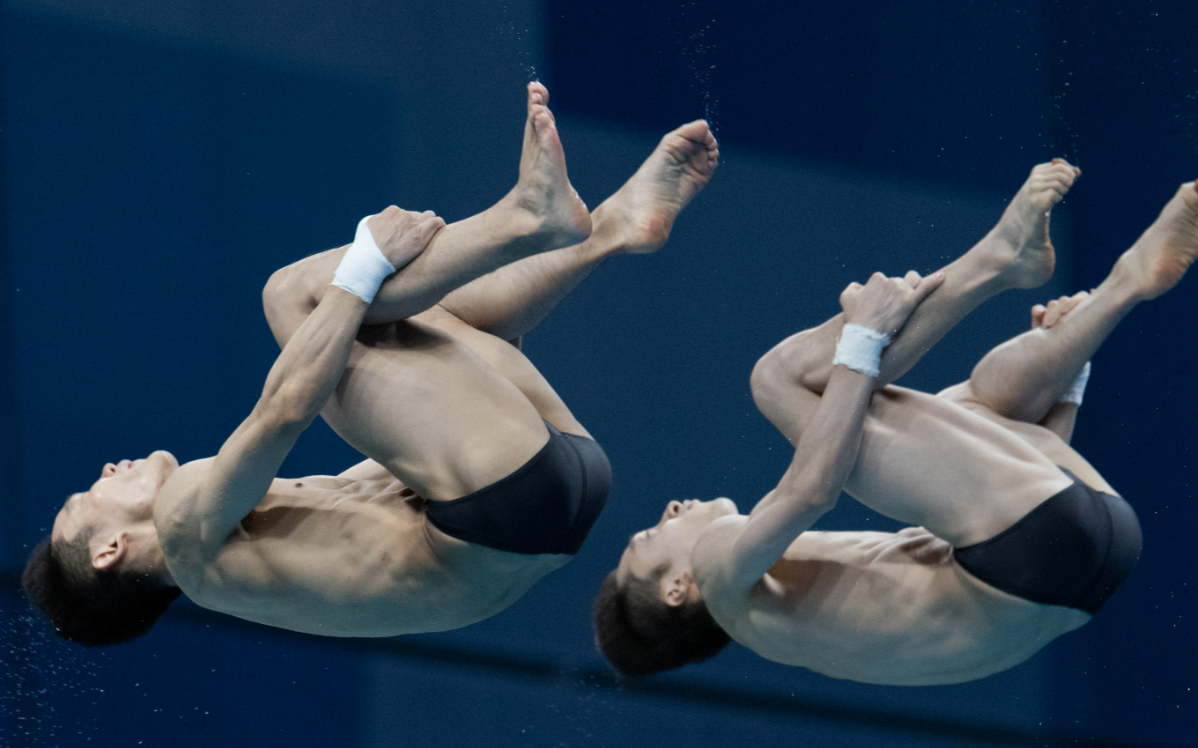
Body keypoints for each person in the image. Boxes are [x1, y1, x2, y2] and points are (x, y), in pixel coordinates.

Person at [24, 82, 720, 646]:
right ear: (111, 549)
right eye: (83, 498)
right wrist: (367, 262)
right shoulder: (184, 527)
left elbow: (392, 460)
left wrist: (406, 333)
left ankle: (607, 232)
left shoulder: (247, 561)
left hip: (549, 497)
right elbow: (285, 409)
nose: (105, 470)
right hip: (499, 504)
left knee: (395, 325)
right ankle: (526, 217)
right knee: (294, 298)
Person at [595, 162, 1198, 685]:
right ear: (680, 589)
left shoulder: (790, 617)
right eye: (649, 538)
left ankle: (1107, 305)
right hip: (1033, 548)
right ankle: (1004, 261)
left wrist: (1064, 387)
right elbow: (812, 489)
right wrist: (862, 340)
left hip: (1092, 552)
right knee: (780, 380)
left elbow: (1045, 530)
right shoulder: (718, 570)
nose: (670, 510)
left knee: (975, 403)